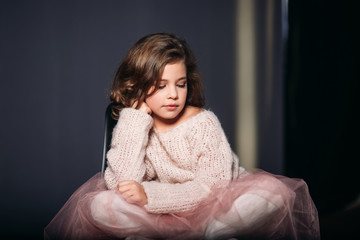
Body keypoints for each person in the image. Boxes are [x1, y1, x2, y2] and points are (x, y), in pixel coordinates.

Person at [44, 33, 320, 240]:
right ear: (138, 86)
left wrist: (149, 196)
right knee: (101, 205)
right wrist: (134, 120)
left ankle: (204, 234)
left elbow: (212, 187)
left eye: (181, 84)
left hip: (215, 205)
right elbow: (122, 183)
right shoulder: (139, 126)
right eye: (161, 85)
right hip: (165, 214)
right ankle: (178, 233)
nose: (174, 94)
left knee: (274, 192)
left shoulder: (202, 122)